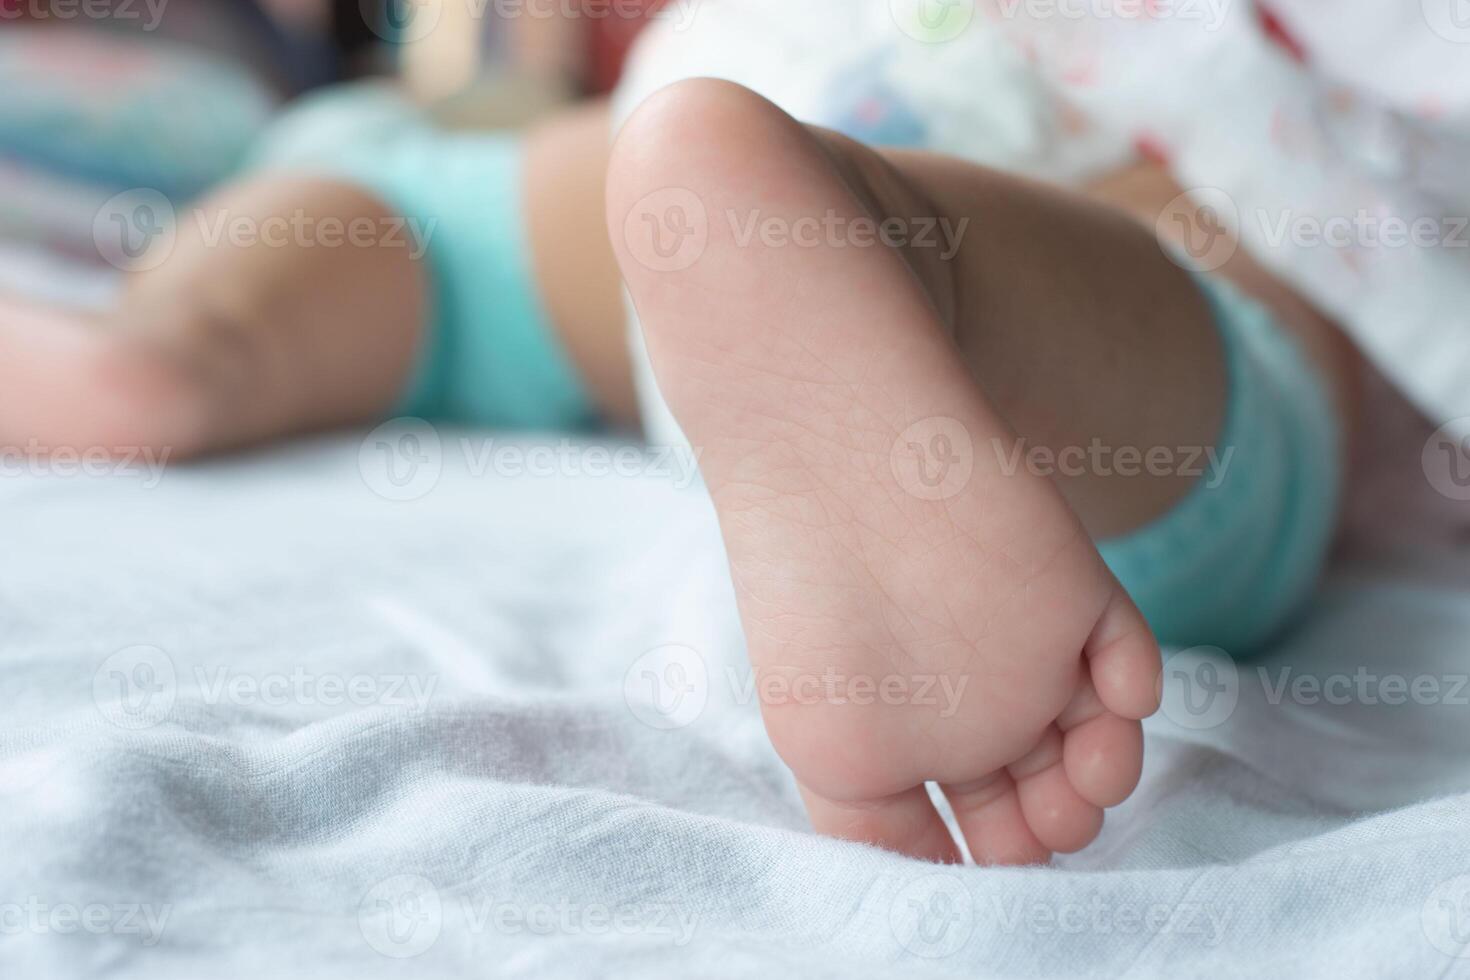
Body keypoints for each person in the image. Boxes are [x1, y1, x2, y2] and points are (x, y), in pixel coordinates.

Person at [0, 23, 1358, 866]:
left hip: (562, 196)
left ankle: (160, 357)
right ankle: (830, 225)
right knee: (1133, 315)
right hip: (709, 162)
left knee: (319, 246)